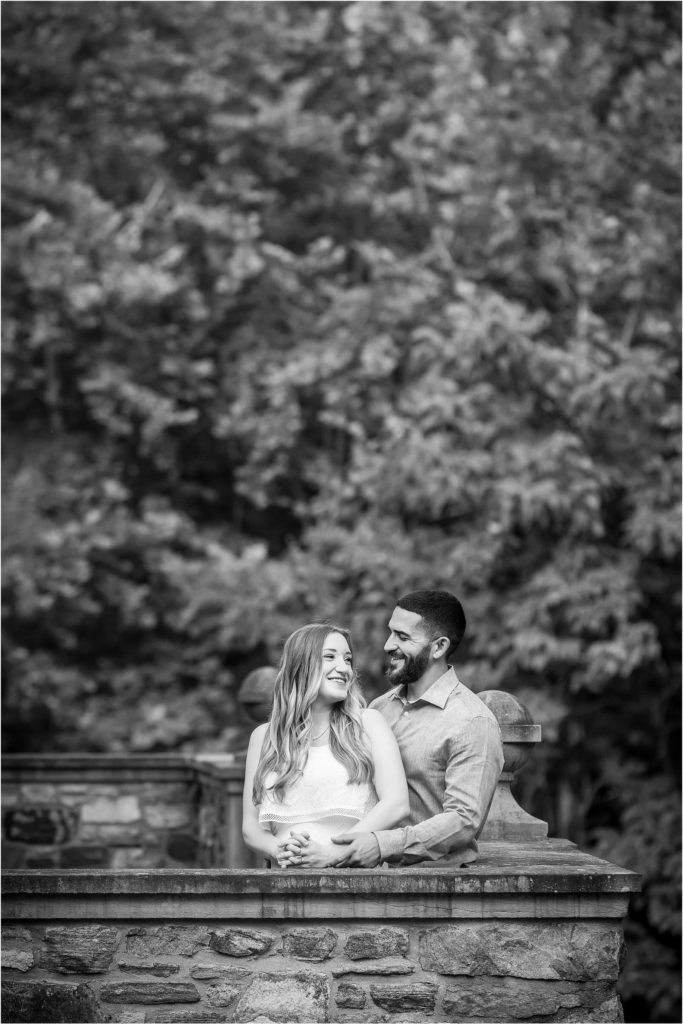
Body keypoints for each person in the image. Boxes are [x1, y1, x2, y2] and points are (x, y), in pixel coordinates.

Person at [326, 589, 504, 868]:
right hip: (364, 879)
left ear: (439, 647)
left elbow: (463, 820)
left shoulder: (472, 722)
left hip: (435, 890)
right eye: (391, 633)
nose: (387, 645)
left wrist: (383, 845)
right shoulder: (379, 708)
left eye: (403, 637)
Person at [242, 622, 410, 868]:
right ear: (301, 665)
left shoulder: (368, 723)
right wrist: (281, 850)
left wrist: (331, 853)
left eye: (348, 660)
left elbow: (396, 804)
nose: (344, 668)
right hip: (284, 880)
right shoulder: (264, 737)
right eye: (330, 657)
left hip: (352, 878)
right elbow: (251, 828)